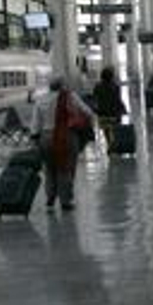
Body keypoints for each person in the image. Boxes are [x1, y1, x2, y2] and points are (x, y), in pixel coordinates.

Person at [31, 76, 97, 212]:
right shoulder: (70, 97)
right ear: (63, 86)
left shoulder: (40, 100)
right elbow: (88, 113)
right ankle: (65, 201)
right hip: (66, 136)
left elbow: (35, 125)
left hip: (46, 137)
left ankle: (50, 199)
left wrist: (36, 141)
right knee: (65, 169)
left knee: (49, 169)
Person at [91, 66, 127, 153]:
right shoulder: (115, 86)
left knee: (106, 130)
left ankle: (110, 144)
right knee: (115, 129)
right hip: (114, 112)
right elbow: (118, 99)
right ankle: (113, 145)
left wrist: (95, 108)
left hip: (102, 112)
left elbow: (94, 98)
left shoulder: (97, 86)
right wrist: (123, 108)